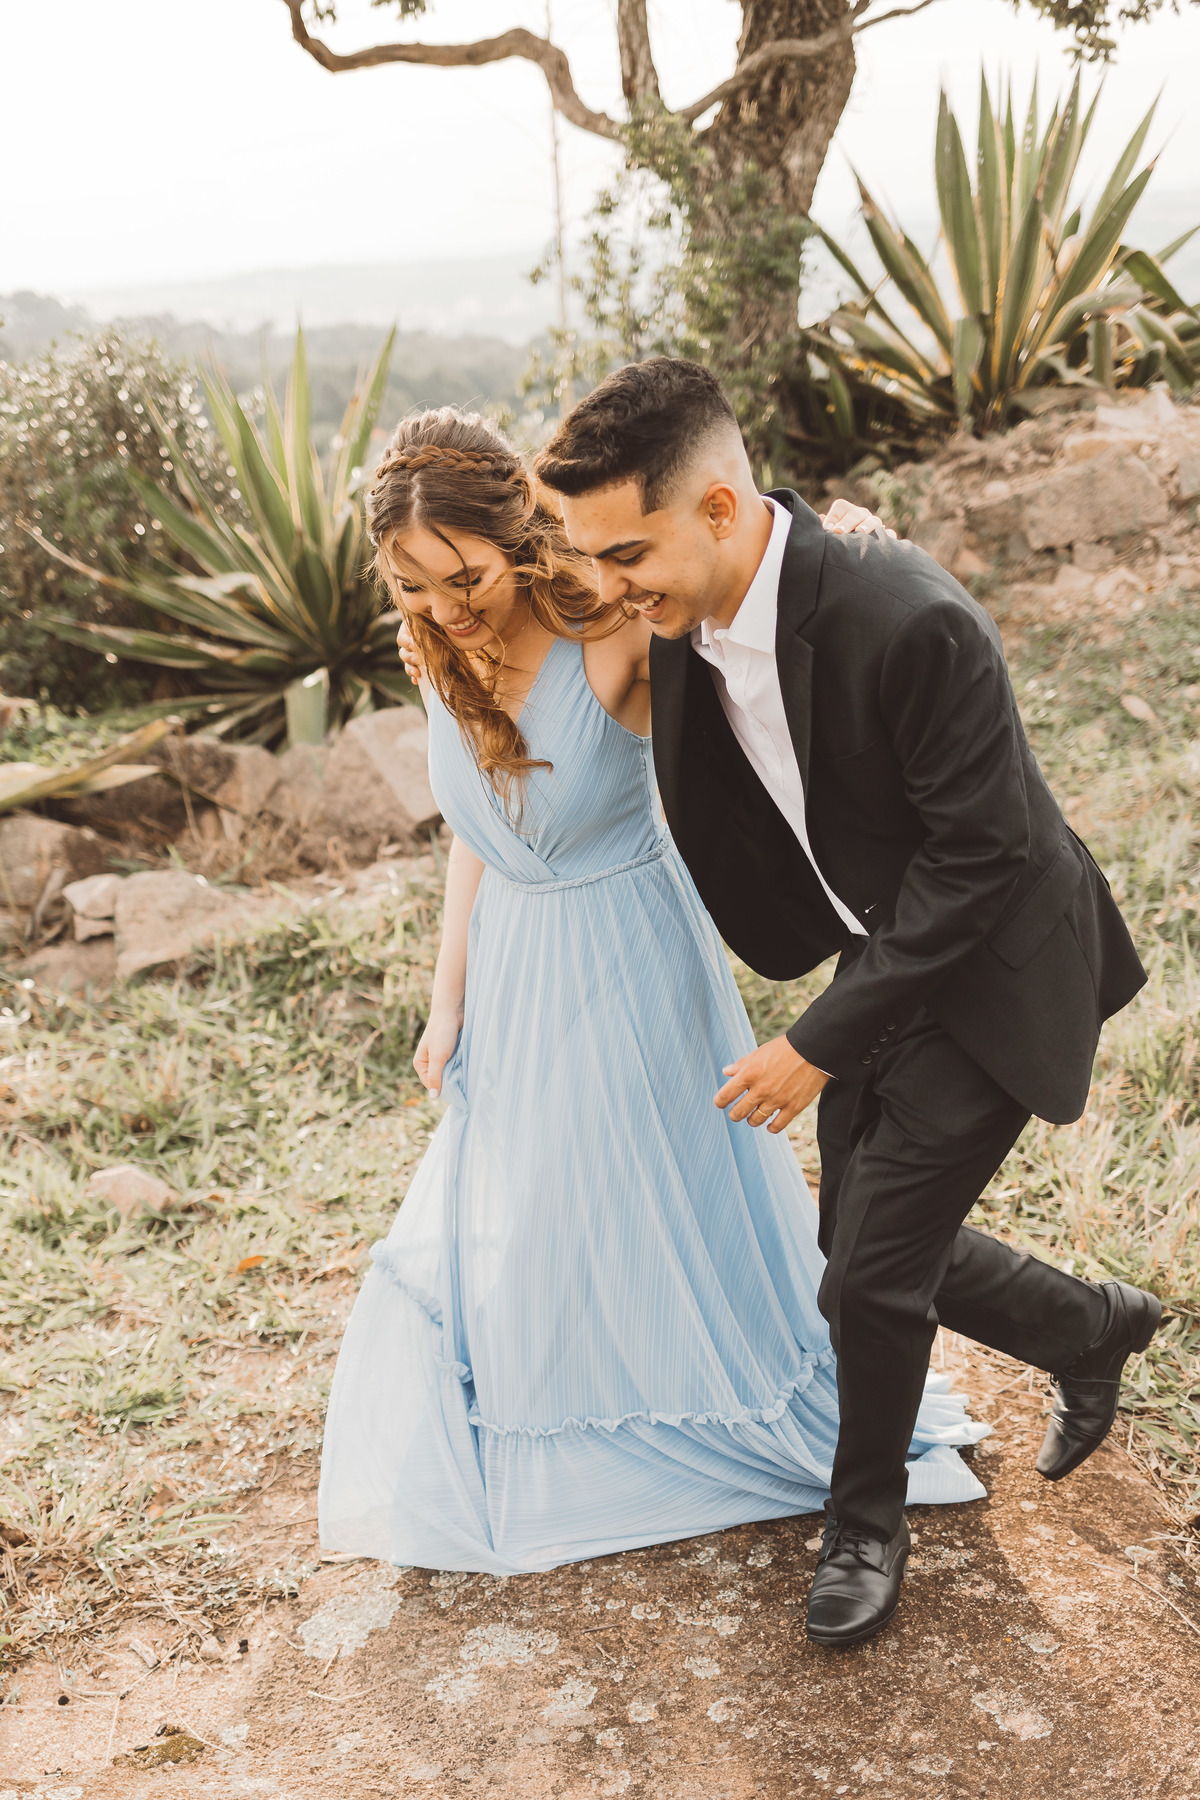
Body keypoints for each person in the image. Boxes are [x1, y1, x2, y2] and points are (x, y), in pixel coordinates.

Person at [533, 357, 1161, 1649]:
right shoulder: (684, 611)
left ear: (717, 509)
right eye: (594, 558)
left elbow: (981, 858)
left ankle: (864, 1522)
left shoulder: (907, 616)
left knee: (868, 1275)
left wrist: (815, 1045)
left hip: (996, 958)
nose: (609, 584)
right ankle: (1091, 1324)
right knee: (860, 1256)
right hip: (884, 955)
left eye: (627, 549)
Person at [317, 409, 994, 1585]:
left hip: (629, 945)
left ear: (517, 537)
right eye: (414, 586)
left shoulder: (613, 632)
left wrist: (841, 546)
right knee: (541, 1199)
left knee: (654, 1191)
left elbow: (735, 589)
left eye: (464, 576)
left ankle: (708, 1395)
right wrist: (447, 997)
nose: (446, 605)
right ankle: (576, 1385)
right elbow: (478, 832)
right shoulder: (436, 646)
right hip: (517, 960)